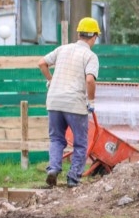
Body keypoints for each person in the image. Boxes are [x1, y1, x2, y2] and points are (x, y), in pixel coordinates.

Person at [37, 17, 100, 188]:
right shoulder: (90, 56)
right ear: (94, 37)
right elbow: (89, 80)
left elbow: (42, 63)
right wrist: (92, 100)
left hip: (54, 101)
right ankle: (73, 178)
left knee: (56, 139)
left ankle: (53, 169)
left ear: (79, 34)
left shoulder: (62, 49)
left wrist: (51, 80)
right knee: (80, 142)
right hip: (74, 103)